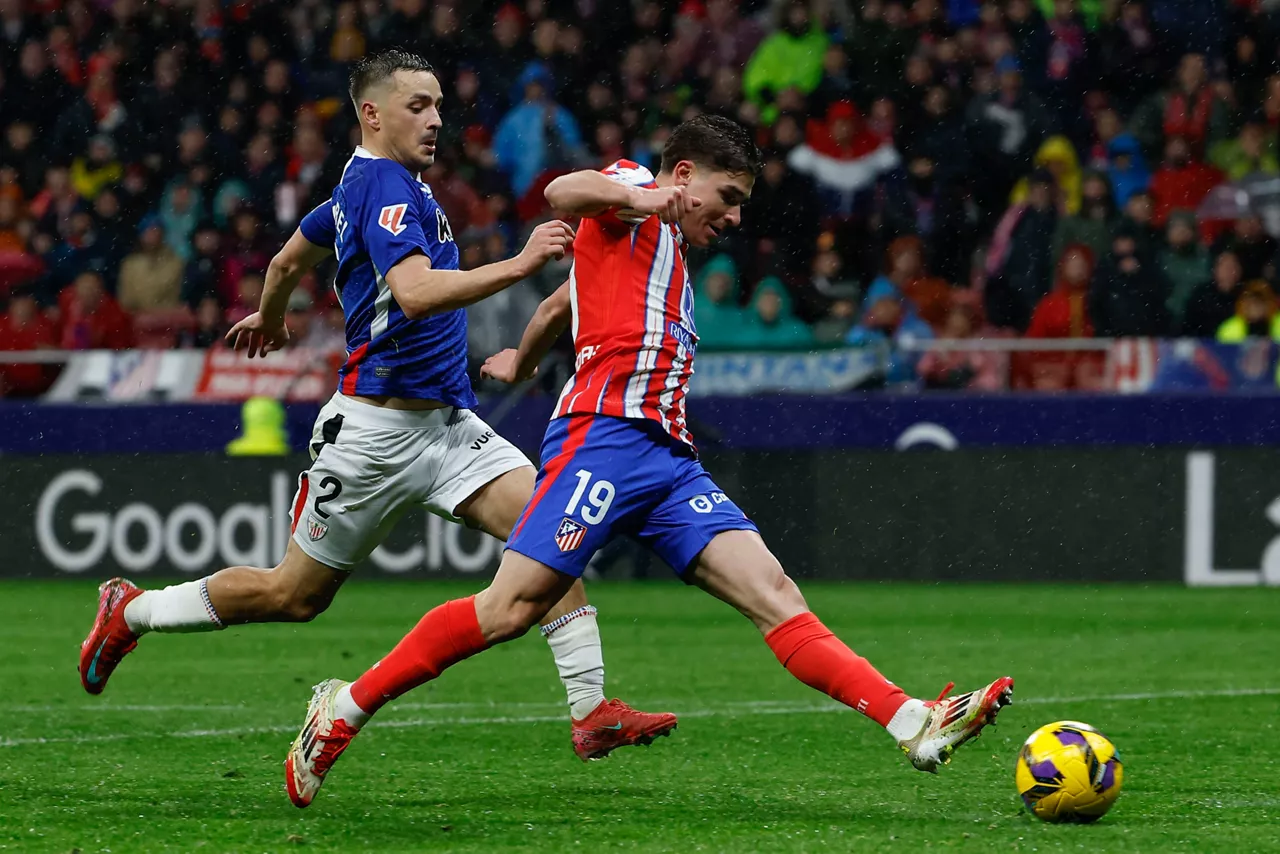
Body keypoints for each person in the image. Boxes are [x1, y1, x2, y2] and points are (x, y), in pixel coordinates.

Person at [284, 114, 1014, 807]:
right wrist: (645, 193)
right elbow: (560, 195)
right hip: (600, 440)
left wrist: (519, 361)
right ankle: (342, 708)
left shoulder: (665, 262)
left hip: (667, 459)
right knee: (508, 611)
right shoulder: (632, 194)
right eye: (726, 199)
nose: (732, 219)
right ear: (685, 175)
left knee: (775, 593)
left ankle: (911, 722)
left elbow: (553, 308)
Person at [77, 50, 675, 765]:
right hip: (374, 433)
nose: (436, 120)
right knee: (293, 596)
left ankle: (591, 711)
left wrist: (271, 315)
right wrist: (517, 265)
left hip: (447, 426)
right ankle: (132, 611)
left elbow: (284, 263)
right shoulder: (383, 186)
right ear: (372, 113)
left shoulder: (368, 190)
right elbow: (417, 292)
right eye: (418, 105)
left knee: (550, 539)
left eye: (439, 105)